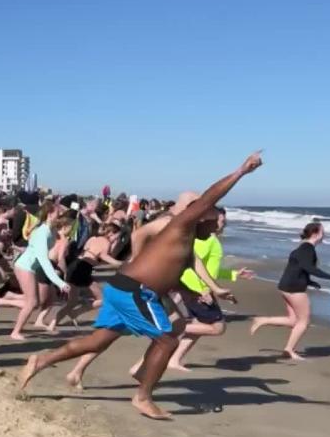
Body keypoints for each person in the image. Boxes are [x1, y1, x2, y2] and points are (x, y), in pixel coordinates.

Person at [18, 152, 263, 420]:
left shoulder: (185, 242)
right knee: (168, 341)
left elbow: (172, 276)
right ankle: (143, 397)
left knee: (95, 342)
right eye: (216, 217)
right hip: (135, 291)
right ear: (200, 213)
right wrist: (241, 171)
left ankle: (40, 361)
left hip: (122, 288)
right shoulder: (180, 225)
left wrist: (204, 291)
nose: (218, 223)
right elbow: (210, 196)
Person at [164, 208, 254, 371]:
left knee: (200, 325)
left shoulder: (201, 239)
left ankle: (175, 360)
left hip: (192, 288)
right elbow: (194, 268)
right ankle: (169, 327)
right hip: (198, 290)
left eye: (224, 221)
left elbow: (208, 270)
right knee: (218, 327)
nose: (223, 225)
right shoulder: (210, 241)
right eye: (220, 221)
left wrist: (234, 274)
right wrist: (203, 290)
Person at [250, 222, 330, 360]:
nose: (324, 235)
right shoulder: (308, 249)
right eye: (323, 232)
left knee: (294, 321)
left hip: (286, 286)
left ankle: (263, 320)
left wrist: (310, 282)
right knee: (304, 322)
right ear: (315, 234)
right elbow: (309, 268)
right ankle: (289, 349)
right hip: (295, 289)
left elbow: (297, 268)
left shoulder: (301, 248)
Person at [2, 202, 69, 340]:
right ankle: (15, 332)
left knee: (35, 301)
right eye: (58, 212)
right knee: (32, 302)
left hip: (31, 267)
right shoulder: (43, 232)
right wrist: (60, 283)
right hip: (25, 267)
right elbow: (44, 261)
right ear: (50, 214)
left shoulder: (50, 230)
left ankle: (6, 299)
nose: (61, 214)